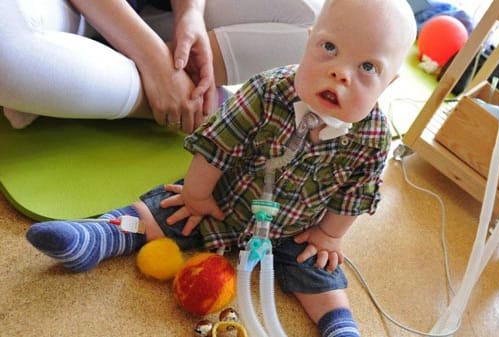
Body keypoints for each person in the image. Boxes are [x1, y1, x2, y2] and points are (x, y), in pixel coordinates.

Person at [25, 0, 417, 336]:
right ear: (308, 40)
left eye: (367, 68)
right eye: (328, 48)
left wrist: (329, 236)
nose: (341, 73)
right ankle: (99, 236)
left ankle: (340, 325)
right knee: (164, 209)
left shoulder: (373, 136)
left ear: (390, 82)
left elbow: (357, 192)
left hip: (296, 231)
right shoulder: (267, 92)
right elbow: (215, 146)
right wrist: (197, 194)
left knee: (320, 271)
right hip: (221, 200)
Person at [0, 0, 323, 133]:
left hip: (152, 10)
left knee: (320, 26)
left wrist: (190, 14)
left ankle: (73, 79)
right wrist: (154, 60)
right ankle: (193, 105)